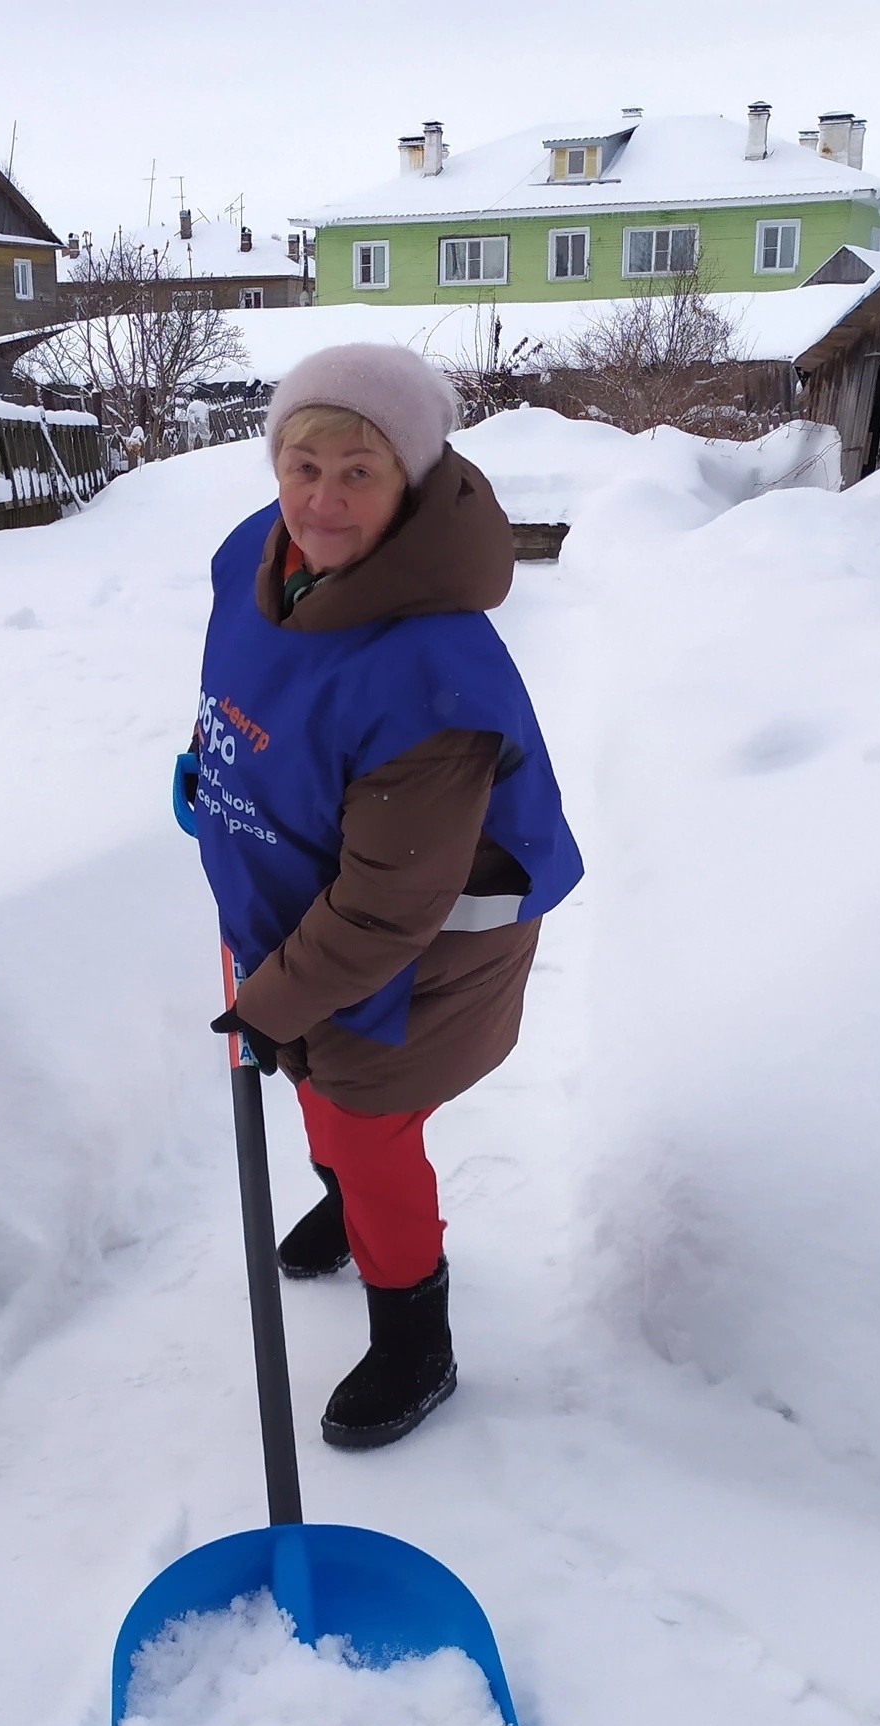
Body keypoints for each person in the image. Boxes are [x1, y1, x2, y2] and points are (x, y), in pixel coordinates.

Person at [179, 343, 582, 1451]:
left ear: (409, 481)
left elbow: (385, 912)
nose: (321, 498)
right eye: (300, 463)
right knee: (309, 1073)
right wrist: (205, 769)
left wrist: (268, 1003)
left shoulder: (430, 674)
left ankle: (416, 1337)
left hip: (421, 951)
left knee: (364, 1120)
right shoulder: (252, 558)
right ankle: (350, 1205)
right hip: (308, 908)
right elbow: (245, 686)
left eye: (358, 471)